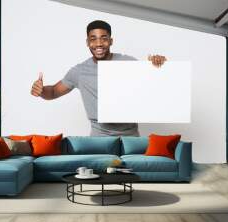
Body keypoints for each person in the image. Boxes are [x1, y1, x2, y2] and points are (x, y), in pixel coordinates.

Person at [31, 20, 166, 136]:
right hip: (99, 139)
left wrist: (158, 65)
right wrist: (42, 91)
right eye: (93, 39)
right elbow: (54, 91)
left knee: (133, 167)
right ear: (87, 42)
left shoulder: (129, 63)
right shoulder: (80, 71)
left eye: (104, 38)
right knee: (99, 168)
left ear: (111, 41)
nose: (99, 43)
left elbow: (154, 87)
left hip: (131, 137)